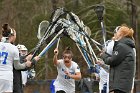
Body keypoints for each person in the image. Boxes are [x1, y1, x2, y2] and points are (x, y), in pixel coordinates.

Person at [0, 23, 39, 93]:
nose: (15, 37)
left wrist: (26, 58)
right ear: (11, 36)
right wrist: (27, 64)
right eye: (15, 35)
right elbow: (17, 66)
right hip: (6, 78)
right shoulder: (13, 48)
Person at [98, 25, 136, 93]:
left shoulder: (121, 46)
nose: (115, 33)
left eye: (117, 31)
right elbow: (117, 65)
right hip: (123, 85)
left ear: (121, 34)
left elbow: (112, 61)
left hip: (120, 86)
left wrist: (103, 55)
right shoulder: (127, 46)